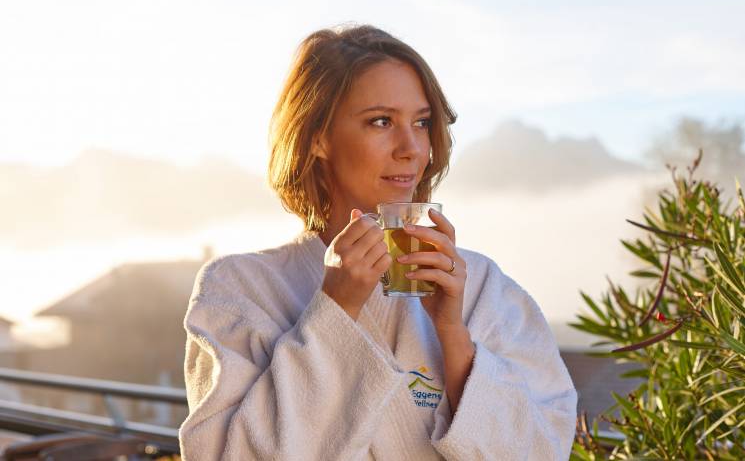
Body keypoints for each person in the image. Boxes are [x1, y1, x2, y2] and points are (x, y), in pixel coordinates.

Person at [178, 24, 578, 460]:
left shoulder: (481, 287)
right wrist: (335, 312)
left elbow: (546, 449)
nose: (411, 148)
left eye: (422, 123)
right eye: (381, 121)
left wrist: (454, 335)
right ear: (318, 138)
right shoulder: (241, 289)